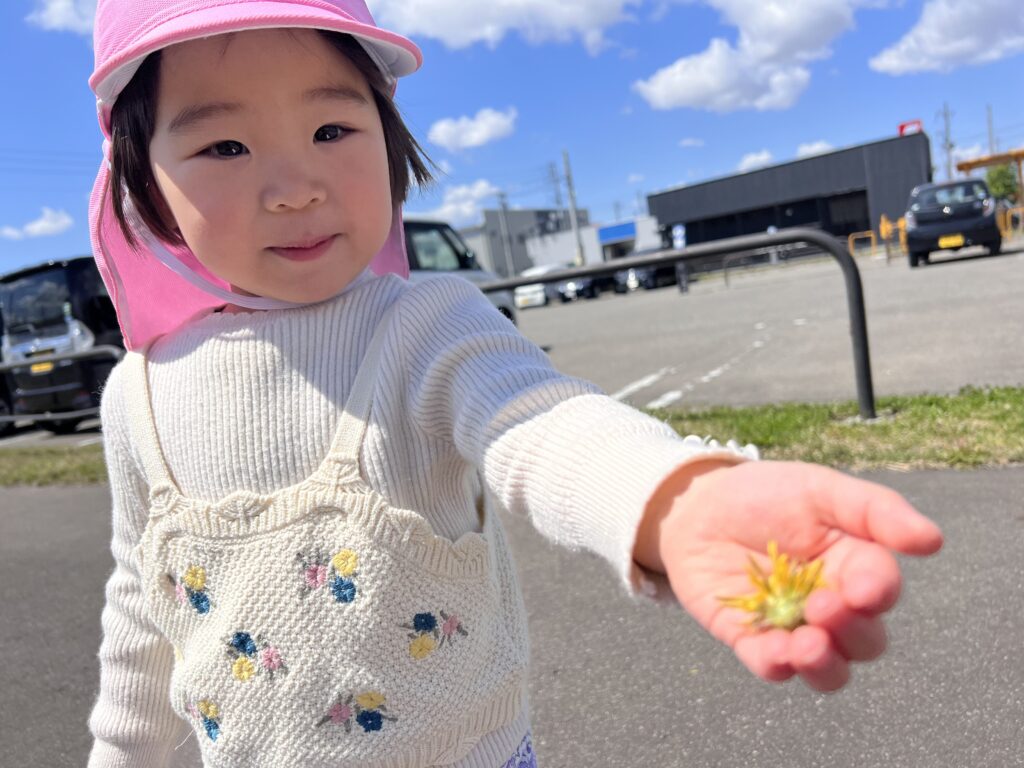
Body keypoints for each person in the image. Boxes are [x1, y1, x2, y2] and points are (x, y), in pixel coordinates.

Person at [86, 2, 943, 766]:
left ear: (389, 134)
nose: (295, 188)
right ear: (141, 183)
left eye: (333, 130)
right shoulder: (137, 396)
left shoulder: (423, 325)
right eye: (224, 146)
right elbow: (140, 608)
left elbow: (541, 424)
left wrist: (672, 497)